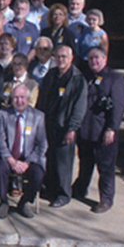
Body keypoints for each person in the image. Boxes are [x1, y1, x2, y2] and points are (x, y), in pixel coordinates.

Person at [72, 47, 124, 213]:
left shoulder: (114, 78)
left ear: (105, 59)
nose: (93, 62)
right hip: (85, 130)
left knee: (105, 167)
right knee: (85, 163)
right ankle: (80, 189)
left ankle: (106, 199)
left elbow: (119, 106)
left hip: (104, 132)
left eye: (97, 58)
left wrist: (112, 128)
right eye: (90, 59)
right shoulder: (86, 76)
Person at [37, 45, 87, 208]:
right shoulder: (51, 75)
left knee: (63, 163)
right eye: (58, 56)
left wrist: (72, 128)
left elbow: (79, 107)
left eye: (64, 56)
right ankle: (50, 189)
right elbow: (42, 99)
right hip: (49, 123)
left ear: (71, 58)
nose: (61, 60)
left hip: (65, 127)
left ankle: (64, 194)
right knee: (50, 158)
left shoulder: (77, 79)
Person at [0, 85, 48, 219]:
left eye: (22, 97)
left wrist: (27, 163)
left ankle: (24, 202)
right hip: (9, 157)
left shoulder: (38, 116)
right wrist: (11, 161)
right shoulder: (3, 114)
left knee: (38, 174)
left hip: (29, 159)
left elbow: (42, 144)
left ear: (28, 99)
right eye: (15, 97)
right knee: (0, 168)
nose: (19, 101)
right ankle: (3, 201)